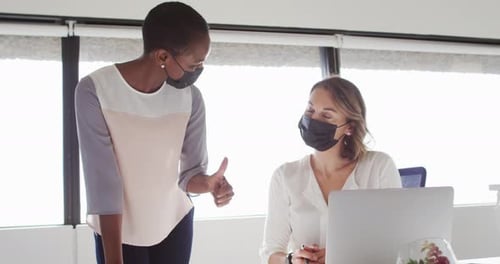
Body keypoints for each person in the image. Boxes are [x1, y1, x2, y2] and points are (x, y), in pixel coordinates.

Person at [75, 2, 234, 264]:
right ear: (162, 56)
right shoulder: (95, 90)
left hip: (174, 223)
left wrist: (209, 184)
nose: (198, 72)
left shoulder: (191, 99)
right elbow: (103, 185)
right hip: (118, 230)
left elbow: (189, 176)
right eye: (195, 65)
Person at [259, 76, 402, 264]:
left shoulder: (379, 167)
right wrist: (291, 259)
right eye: (310, 110)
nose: (313, 120)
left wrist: (342, 257)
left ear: (349, 127)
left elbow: (397, 245)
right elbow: (269, 254)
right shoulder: (285, 176)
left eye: (326, 115)